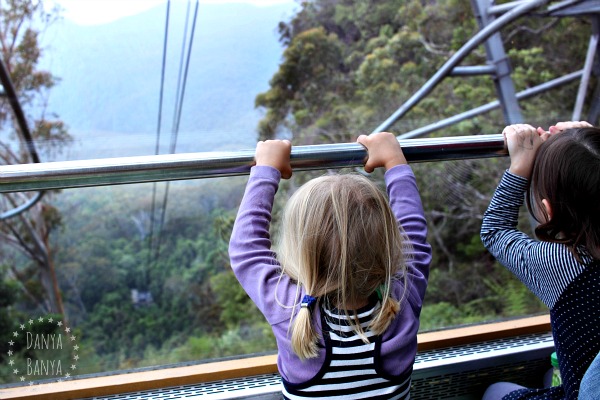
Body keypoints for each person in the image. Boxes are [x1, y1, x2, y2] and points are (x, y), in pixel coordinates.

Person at [229, 132, 432, 399]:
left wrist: (266, 170)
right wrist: (395, 161)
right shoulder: (403, 298)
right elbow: (413, 232)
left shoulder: (291, 311)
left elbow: (247, 249)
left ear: (303, 250)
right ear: (388, 242)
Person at [480, 121, 600, 400]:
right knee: (550, 376)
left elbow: (495, 230)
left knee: (495, 392)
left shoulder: (566, 264)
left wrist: (520, 166)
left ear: (548, 209)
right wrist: (583, 142)